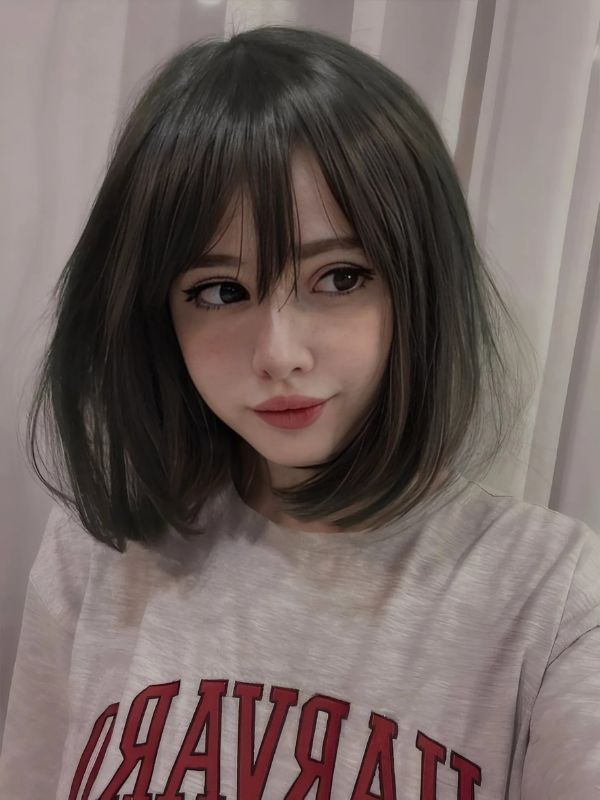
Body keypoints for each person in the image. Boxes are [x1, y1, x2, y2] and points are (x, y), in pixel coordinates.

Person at [1, 24, 599, 799]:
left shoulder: (552, 597)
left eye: (340, 277)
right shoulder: (98, 547)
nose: (279, 353)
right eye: (220, 291)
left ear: (418, 286)